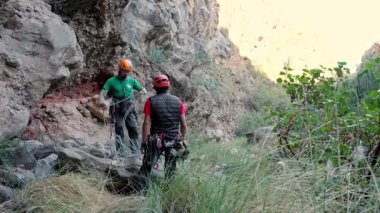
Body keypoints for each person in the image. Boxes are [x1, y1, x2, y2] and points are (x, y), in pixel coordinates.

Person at [140, 74, 188, 179]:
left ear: (155, 87)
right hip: (173, 138)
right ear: (168, 86)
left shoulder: (150, 101)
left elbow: (146, 123)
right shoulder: (178, 101)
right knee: (170, 167)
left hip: (156, 139)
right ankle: (168, 190)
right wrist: (182, 141)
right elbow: (183, 125)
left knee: (146, 167)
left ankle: (141, 192)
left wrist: (144, 142)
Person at [99, 58, 146, 157]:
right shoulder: (111, 81)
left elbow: (141, 89)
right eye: (125, 71)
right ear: (120, 69)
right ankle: (120, 152)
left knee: (133, 128)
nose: (126, 73)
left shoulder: (132, 81)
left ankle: (135, 151)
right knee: (119, 128)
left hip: (128, 107)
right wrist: (102, 101)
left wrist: (143, 91)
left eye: (128, 71)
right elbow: (103, 93)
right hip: (117, 107)